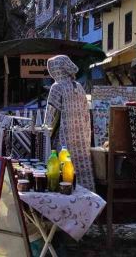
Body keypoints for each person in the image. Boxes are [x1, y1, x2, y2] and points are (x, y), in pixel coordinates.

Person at [44, 55, 94, 192]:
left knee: (63, 169)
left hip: (64, 138)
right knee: (80, 168)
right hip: (81, 140)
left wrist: (44, 133)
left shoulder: (57, 87)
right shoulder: (79, 87)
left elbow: (50, 116)